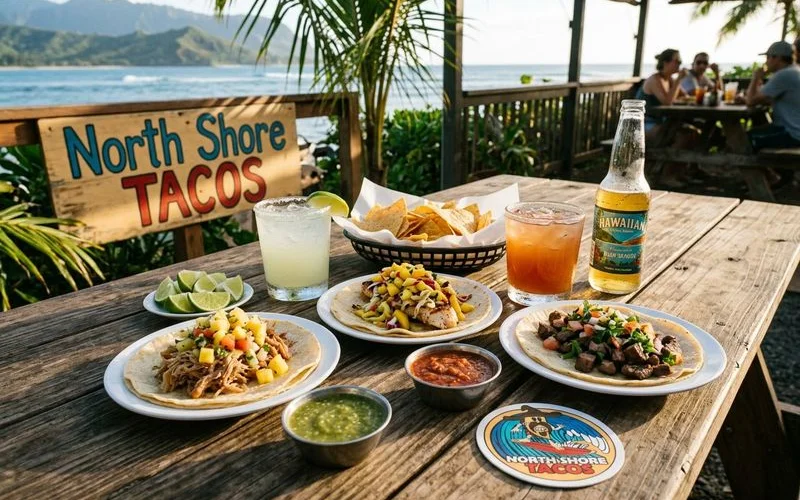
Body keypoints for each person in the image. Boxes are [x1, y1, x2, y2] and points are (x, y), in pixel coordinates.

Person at [636, 49, 695, 187]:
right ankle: (666, 176)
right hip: (643, 125)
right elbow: (667, 102)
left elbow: (685, 97)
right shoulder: (654, 79)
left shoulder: (670, 80)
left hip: (661, 123)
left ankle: (679, 173)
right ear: (665, 62)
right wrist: (680, 79)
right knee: (680, 136)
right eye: (677, 61)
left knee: (691, 134)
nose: (679, 64)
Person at [746, 41, 800, 151]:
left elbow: (750, 101)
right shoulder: (795, 70)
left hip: (793, 134)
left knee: (744, 139)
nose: (766, 62)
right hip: (791, 129)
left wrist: (756, 77)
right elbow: (766, 98)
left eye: (768, 57)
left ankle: (749, 168)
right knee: (751, 133)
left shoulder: (784, 74)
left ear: (777, 58)